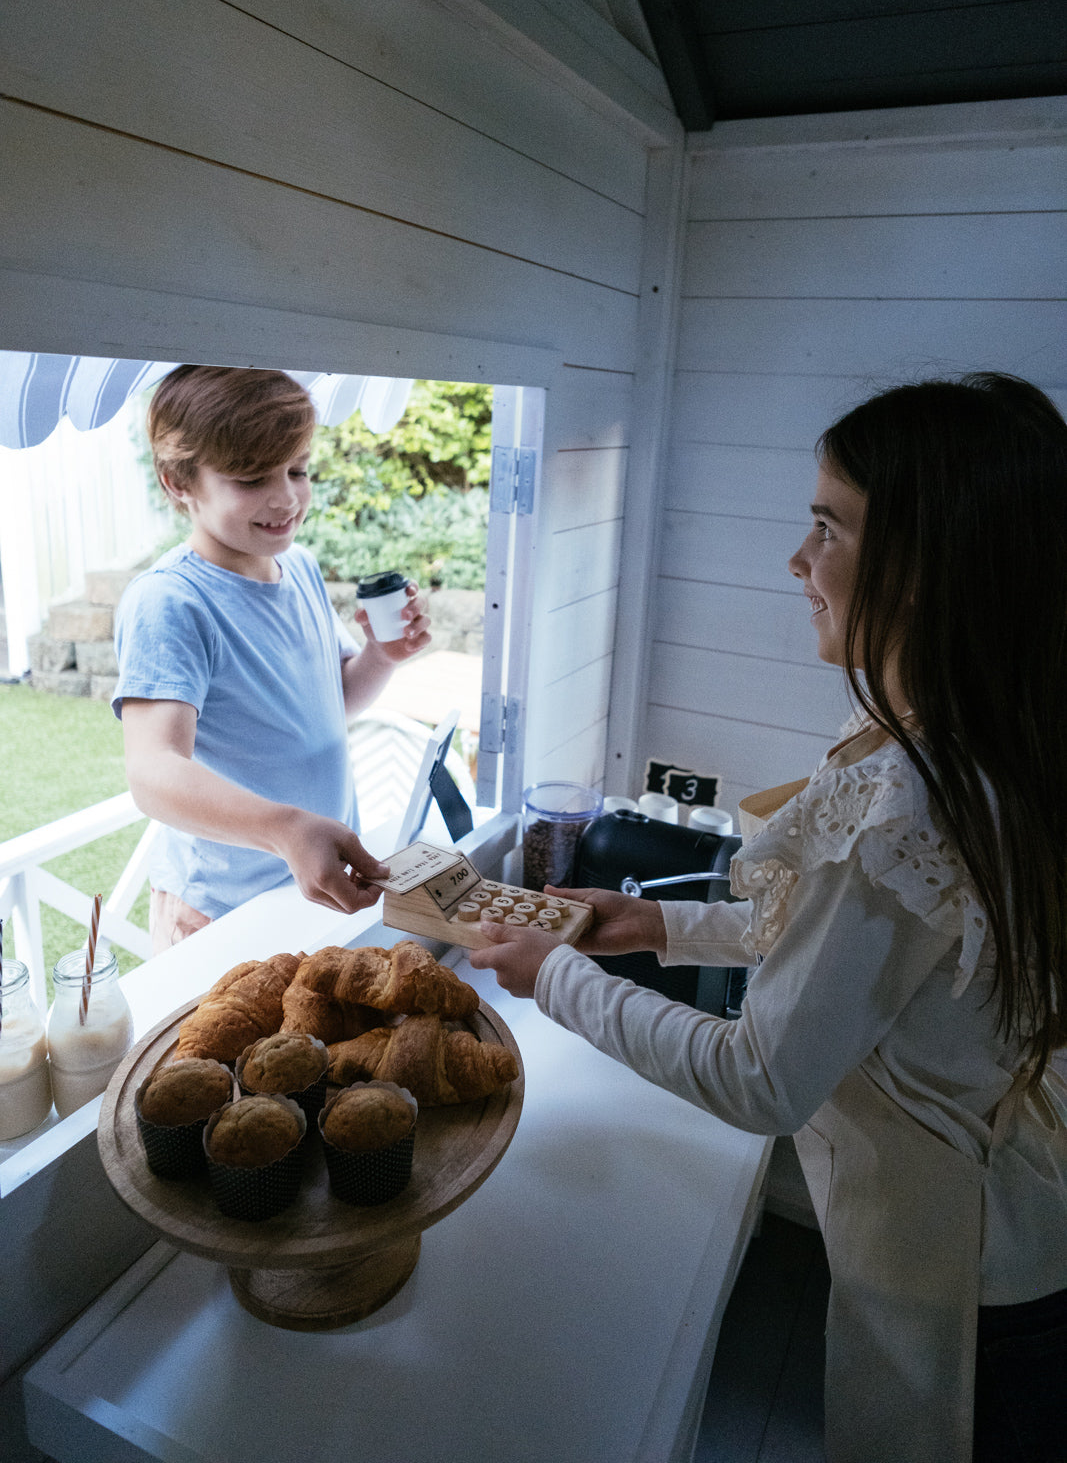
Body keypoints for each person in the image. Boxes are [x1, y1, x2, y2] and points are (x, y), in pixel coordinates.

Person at [470, 373, 1067, 1463]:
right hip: (1013, 1214)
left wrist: (548, 976)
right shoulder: (977, 734)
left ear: (926, 568)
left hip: (965, 1273)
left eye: (827, 526)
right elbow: (857, 952)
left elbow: (761, 1078)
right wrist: (653, 929)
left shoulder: (912, 787)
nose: (798, 561)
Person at [112, 365, 432, 952]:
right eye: (252, 477)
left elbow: (332, 703)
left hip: (311, 883)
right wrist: (285, 830)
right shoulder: (170, 601)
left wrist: (380, 658)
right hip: (221, 908)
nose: (286, 497)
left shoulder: (300, 567)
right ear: (178, 482)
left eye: (298, 469)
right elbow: (153, 770)